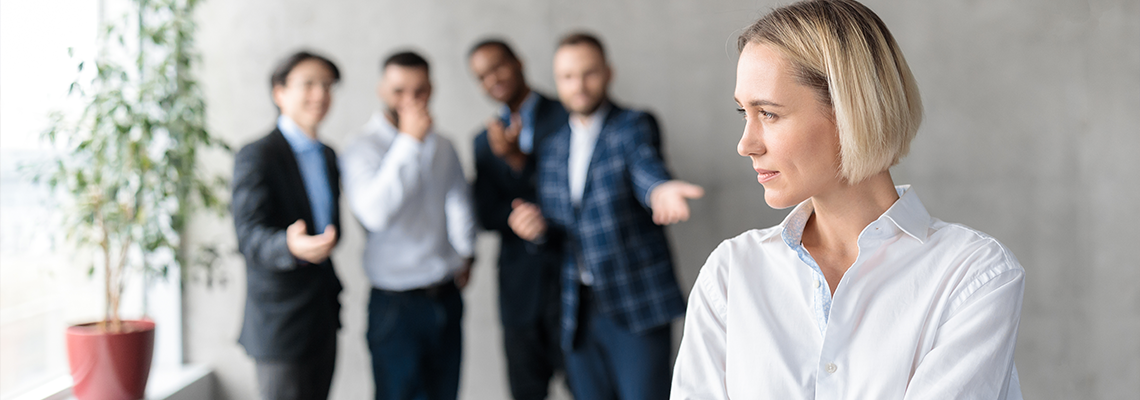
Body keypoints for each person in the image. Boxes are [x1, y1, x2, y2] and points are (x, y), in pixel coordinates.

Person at [670, 0, 1025, 398]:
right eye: (743, 112)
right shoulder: (732, 274)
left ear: (849, 110)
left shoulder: (974, 276)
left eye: (768, 114)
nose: (746, 144)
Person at [508, 33, 704, 400]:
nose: (579, 85)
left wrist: (659, 190)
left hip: (636, 305)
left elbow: (645, 167)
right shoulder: (551, 148)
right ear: (556, 80)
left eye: (589, 73)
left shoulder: (632, 126)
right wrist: (535, 231)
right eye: (568, 76)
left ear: (608, 73)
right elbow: (556, 231)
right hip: (576, 311)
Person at [340, 51, 475, 400]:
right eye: (399, 90)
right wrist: (410, 142)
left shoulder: (443, 144)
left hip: (444, 295)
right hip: (396, 306)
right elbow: (375, 214)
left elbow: (458, 199)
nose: (411, 100)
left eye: (420, 90)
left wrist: (466, 252)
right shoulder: (361, 147)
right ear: (382, 89)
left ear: (432, 89)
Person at [232, 51, 343, 400]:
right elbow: (248, 234)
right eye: (308, 84)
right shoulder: (257, 154)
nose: (320, 94)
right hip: (280, 322)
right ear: (279, 93)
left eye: (327, 85)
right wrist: (289, 246)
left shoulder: (327, 154)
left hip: (322, 314)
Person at [467, 39, 570, 400]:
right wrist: (515, 218)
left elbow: (574, 192)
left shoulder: (568, 116)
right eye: (482, 76)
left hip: (569, 280)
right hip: (519, 290)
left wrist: (517, 162)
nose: (492, 79)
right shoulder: (482, 141)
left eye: (498, 67)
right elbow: (485, 213)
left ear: (518, 62)